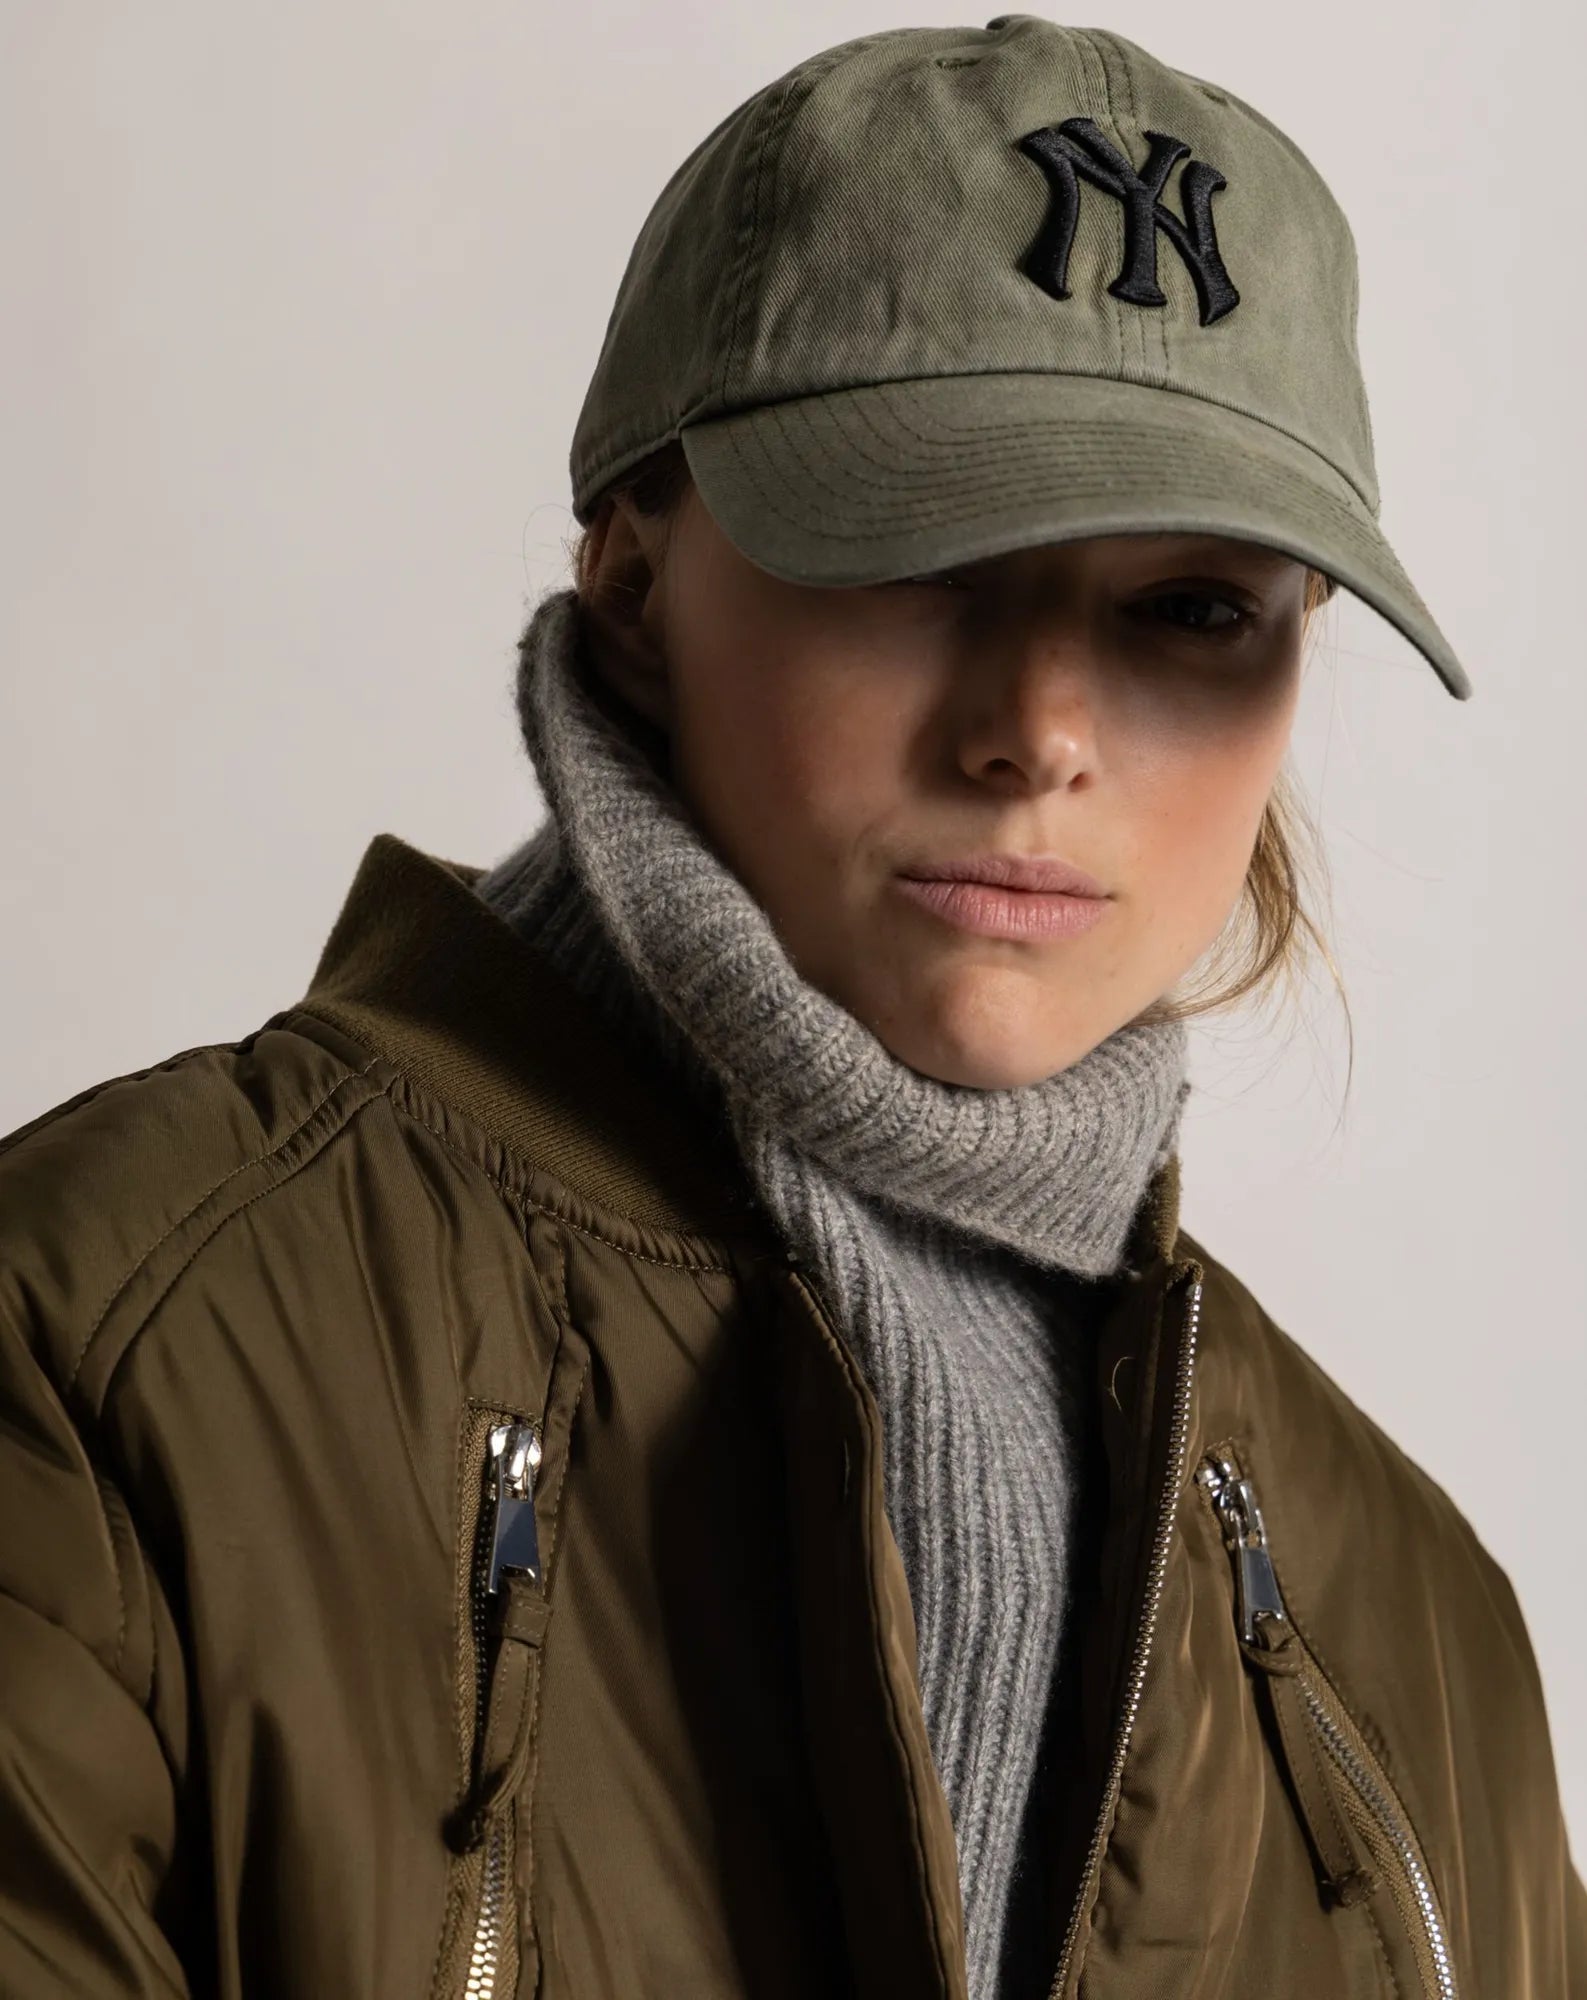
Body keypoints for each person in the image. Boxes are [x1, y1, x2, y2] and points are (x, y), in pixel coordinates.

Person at [0, 14, 1580, 1999]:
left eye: (1190, 611)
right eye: (924, 551)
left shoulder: (1418, 1631)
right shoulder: (101, 1347)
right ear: (631, 572)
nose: (1041, 732)